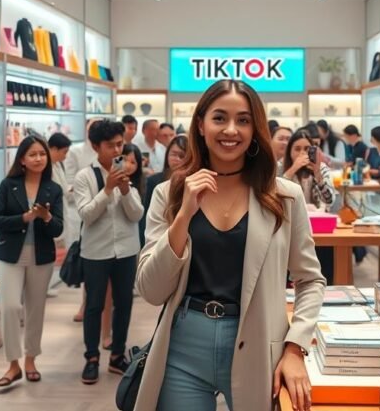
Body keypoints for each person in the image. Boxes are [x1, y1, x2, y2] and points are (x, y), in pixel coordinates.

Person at [136, 79, 325, 411]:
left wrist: (295, 348)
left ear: (255, 129)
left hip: (259, 340)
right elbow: (151, 290)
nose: (231, 130)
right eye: (220, 118)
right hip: (183, 347)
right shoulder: (169, 194)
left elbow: (310, 280)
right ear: (201, 123)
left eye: (243, 120)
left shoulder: (284, 195)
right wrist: (183, 215)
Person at [0, 136, 64, 388]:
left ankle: (30, 359)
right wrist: (23, 217)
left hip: (40, 257)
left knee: (35, 309)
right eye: (32, 154)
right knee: (10, 307)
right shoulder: (8, 184)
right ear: (21, 158)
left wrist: (45, 217)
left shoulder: (53, 189)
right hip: (10, 255)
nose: (38, 158)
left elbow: (58, 229)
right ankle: (12, 364)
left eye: (42, 154)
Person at [74, 120, 143, 385]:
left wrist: (125, 189)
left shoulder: (125, 171)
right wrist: (108, 190)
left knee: (124, 303)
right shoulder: (85, 177)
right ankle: (91, 358)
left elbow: (137, 214)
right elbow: (86, 215)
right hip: (95, 251)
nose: (117, 150)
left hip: (126, 249)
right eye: (110, 145)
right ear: (95, 146)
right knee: (94, 305)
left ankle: (117, 356)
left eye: (120, 144)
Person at [283, 128, 338, 284]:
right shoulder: (282, 168)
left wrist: (317, 174)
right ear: (289, 151)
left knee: (322, 270)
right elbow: (274, 195)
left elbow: (329, 201)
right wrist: (292, 169)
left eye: (307, 149)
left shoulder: (322, 169)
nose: (302, 153)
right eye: (297, 149)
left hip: (319, 229)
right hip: (290, 229)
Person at [64, 118, 103, 323]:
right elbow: (69, 185)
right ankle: (86, 302)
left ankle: (102, 304)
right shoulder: (75, 152)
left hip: (106, 211)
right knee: (88, 260)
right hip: (82, 213)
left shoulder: (112, 151)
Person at [142, 135, 189, 246]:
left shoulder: (191, 182)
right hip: (158, 235)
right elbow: (147, 212)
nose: (177, 159)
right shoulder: (154, 180)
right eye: (173, 154)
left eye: (182, 156)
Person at [47, 133, 73, 298]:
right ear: (53, 149)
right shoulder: (46, 167)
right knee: (50, 252)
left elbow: (62, 188)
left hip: (60, 213)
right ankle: (45, 286)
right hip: (51, 216)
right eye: (63, 152)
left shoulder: (57, 165)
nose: (65, 156)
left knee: (55, 252)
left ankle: (48, 284)